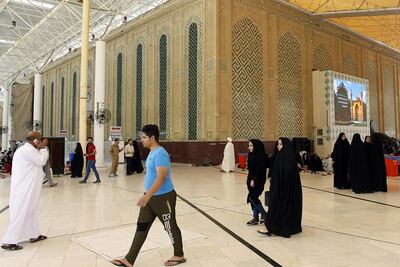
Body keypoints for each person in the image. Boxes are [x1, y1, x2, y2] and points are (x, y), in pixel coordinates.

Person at [111, 125, 185, 267]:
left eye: (144, 137)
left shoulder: (160, 153)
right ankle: (129, 259)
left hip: (163, 198)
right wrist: (147, 196)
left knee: (170, 226)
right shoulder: (152, 152)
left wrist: (147, 196)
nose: (142, 140)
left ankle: (179, 254)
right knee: (141, 227)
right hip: (151, 198)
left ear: (152, 138)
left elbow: (161, 177)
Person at [1, 131, 49, 251]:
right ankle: (9, 241)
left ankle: (34, 234)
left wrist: (40, 148)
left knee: (31, 211)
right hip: (24, 189)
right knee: (20, 213)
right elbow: (41, 161)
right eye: (40, 140)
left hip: (29, 188)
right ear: (36, 141)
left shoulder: (28, 150)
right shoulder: (28, 150)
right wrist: (43, 149)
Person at [258, 138, 302, 238]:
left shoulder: (285, 157)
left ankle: (273, 227)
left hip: (283, 190)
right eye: (278, 144)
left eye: (281, 144)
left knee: (278, 206)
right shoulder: (285, 157)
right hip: (283, 189)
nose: (278, 146)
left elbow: (285, 176)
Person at [246, 139, 268, 225]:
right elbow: (250, 169)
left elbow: (260, 170)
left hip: (258, 180)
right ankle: (255, 218)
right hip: (250, 180)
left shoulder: (261, 157)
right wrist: (250, 179)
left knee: (252, 197)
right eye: (249, 146)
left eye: (251, 146)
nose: (249, 148)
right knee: (252, 198)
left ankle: (264, 214)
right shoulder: (251, 155)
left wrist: (254, 179)